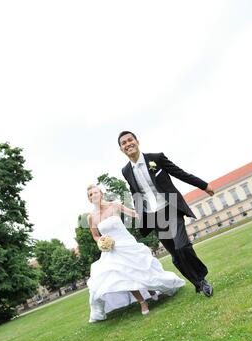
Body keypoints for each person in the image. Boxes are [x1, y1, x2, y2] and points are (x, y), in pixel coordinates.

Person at [119, 130, 215, 297]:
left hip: (170, 207)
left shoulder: (156, 158)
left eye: (130, 140)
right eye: (124, 143)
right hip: (154, 216)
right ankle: (198, 283)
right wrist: (140, 213)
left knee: (182, 246)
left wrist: (203, 185)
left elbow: (180, 173)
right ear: (122, 149)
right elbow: (135, 192)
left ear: (137, 141)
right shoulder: (126, 171)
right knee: (176, 255)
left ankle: (202, 278)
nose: (128, 144)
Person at [86, 184, 185, 323]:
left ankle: (151, 289)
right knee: (124, 276)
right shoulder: (91, 217)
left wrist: (149, 216)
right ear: (89, 199)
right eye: (90, 195)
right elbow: (95, 235)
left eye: (95, 192)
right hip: (112, 251)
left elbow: (133, 213)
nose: (93, 196)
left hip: (126, 243)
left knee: (141, 268)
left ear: (101, 193)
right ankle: (142, 302)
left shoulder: (114, 205)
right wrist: (101, 241)